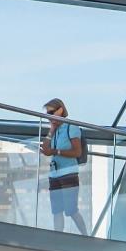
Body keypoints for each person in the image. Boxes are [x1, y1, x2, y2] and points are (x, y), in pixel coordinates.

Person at [41, 98, 87, 234]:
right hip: (54, 174)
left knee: (71, 210)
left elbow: (77, 152)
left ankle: (86, 236)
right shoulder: (55, 130)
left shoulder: (71, 128)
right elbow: (45, 147)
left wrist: (55, 151)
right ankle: (58, 238)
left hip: (69, 173)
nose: (49, 116)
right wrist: (52, 130)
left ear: (60, 110)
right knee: (56, 210)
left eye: (51, 112)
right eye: (47, 114)